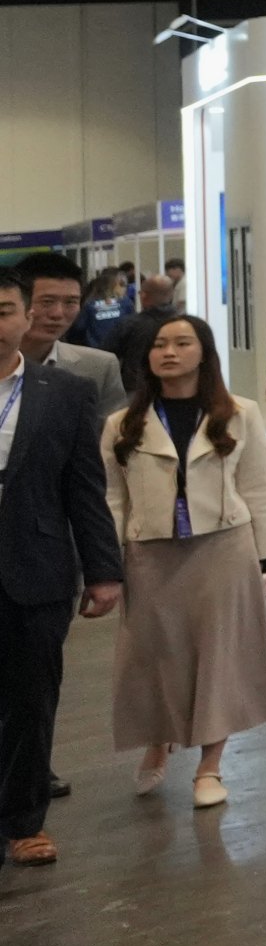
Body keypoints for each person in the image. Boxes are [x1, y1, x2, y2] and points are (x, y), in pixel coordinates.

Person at [101, 313, 266, 809]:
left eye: (183, 343)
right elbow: (113, 499)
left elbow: (260, 489)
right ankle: (158, 739)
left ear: (204, 353)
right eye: (160, 345)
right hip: (148, 553)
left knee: (219, 656)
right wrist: (106, 564)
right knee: (154, 656)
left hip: (223, 548)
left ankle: (210, 765)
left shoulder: (238, 412)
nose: (170, 353)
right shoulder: (123, 423)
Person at [0, 325, 120, 864]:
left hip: (36, 566)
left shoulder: (65, 392)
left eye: (3, 309)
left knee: (31, 699)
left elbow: (83, 485)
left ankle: (24, 822)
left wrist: (103, 570)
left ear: (23, 318)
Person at [21, 250, 123, 407]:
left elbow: (113, 429)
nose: (57, 314)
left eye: (70, 302)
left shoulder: (99, 367)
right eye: (46, 302)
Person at [108, 261, 188, 382]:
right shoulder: (187, 325)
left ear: (143, 296)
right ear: (171, 295)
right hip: (176, 384)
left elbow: (107, 355)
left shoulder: (129, 324)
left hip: (137, 387)